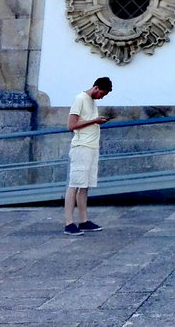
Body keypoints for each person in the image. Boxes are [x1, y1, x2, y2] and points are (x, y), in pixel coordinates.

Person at [63, 76, 112, 236]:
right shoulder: (80, 99)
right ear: (96, 88)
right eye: (102, 94)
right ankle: (68, 222)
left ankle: (84, 220)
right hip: (81, 147)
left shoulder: (92, 102)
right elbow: (71, 125)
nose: (101, 97)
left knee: (84, 185)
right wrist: (94, 121)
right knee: (74, 184)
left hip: (91, 147)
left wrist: (96, 121)